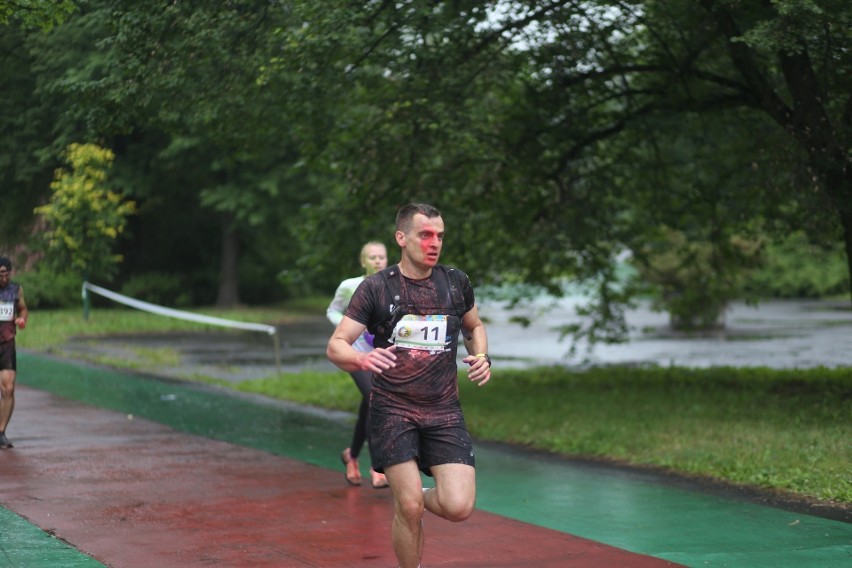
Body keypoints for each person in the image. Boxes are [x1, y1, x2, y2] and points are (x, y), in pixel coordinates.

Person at [327, 203, 491, 568]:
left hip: (444, 410)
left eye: (440, 236)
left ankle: (416, 496)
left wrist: (481, 357)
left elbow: (474, 327)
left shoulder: (455, 283)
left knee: (458, 506)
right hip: (392, 410)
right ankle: (410, 514)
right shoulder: (376, 289)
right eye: (425, 235)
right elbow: (336, 345)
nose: (435, 243)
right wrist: (361, 359)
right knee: (410, 505)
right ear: (401, 238)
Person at [327, 241, 390, 489]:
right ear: (363, 261)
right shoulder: (349, 286)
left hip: (380, 356)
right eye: (372, 257)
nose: (377, 261)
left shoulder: (392, 284)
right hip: (355, 354)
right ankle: (377, 468)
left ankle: (351, 456)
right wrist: (346, 327)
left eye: (382, 257)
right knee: (375, 399)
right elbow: (332, 311)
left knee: (369, 405)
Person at [0, 256, 28, 449]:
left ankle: (1, 432)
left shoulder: (16, 290)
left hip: (7, 344)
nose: (4, 278)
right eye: (0, 274)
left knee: (8, 389)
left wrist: (22, 319)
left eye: (7, 273)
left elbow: (23, 309)